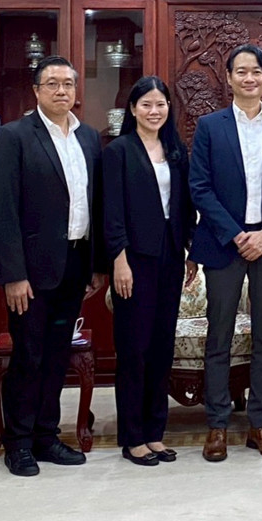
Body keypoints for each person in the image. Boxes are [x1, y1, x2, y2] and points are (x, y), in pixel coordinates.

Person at [0, 55, 109, 477]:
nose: (61, 90)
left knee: (57, 354)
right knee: (29, 355)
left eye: (68, 84)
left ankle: (46, 435)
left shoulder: (88, 137)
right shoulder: (14, 136)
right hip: (31, 270)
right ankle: (18, 443)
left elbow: (94, 204)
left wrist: (96, 264)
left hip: (74, 264)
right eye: (52, 83)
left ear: (76, 91)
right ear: (36, 91)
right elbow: (2, 209)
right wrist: (13, 274)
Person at [189, 44, 262, 462]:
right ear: (229, 78)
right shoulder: (209, 126)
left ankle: (260, 423)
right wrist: (237, 235)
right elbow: (200, 187)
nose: (249, 78)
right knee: (218, 337)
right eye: (241, 71)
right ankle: (217, 425)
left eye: (256, 71)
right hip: (224, 244)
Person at [103, 76, 197, 467]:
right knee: (134, 349)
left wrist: (189, 250)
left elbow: (185, 204)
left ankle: (155, 432)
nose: (154, 111)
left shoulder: (175, 150)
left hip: (170, 255)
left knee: (161, 348)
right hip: (133, 259)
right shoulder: (119, 151)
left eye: (160, 104)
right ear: (132, 109)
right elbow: (111, 210)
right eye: (146, 104)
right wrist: (118, 259)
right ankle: (133, 437)